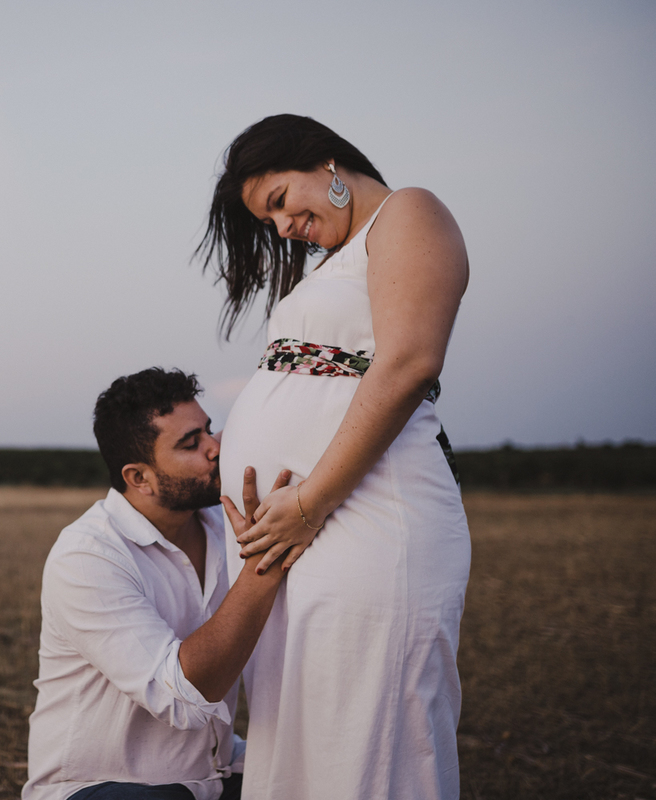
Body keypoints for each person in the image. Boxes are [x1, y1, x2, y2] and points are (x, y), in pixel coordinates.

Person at [197, 114, 472, 800]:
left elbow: (408, 363)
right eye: (271, 220)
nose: (283, 227)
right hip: (308, 522)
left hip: (366, 512)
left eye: (281, 202)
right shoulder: (336, 263)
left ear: (325, 164)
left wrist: (311, 502)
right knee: (306, 715)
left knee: (372, 717)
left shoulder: (409, 212)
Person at [23, 367, 293, 800]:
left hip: (212, 779)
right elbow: (184, 698)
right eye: (191, 443)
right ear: (139, 478)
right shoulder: (89, 556)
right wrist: (265, 561)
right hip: (102, 788)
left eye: (208, 430)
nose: (215, 447)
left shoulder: (224, 526)